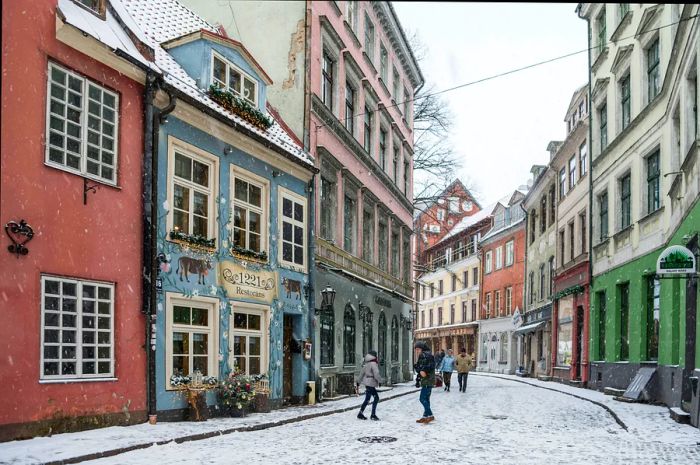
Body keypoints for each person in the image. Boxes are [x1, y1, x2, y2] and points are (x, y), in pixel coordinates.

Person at [356, 350, 382, 421]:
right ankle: (372, 415)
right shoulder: (373, 363)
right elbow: (376, 374)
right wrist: (380, 381)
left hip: (367, 384)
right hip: (371, 383)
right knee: (376, 398)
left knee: (367, 399)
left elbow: (361, 374)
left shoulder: (367, 364)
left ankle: (360, 413)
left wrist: (358, 382)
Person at [414, 341, 436, 424]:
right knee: (426, 399)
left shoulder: (425, 355)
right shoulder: (426, 355)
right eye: (416, 349)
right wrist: (419, 372)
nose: (417, 351)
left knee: (422, 398)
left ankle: (430, 415)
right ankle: (425, 416)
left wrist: (422, 370)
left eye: (418, 349)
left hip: (427, 380)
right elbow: (420, 368)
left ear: (422, 349)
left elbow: (430, 366)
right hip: (427, 380)